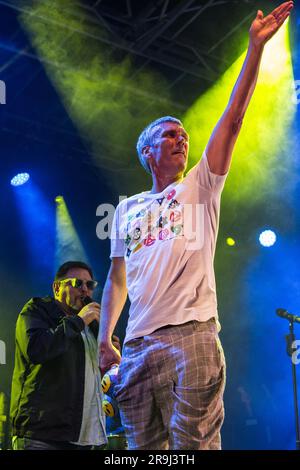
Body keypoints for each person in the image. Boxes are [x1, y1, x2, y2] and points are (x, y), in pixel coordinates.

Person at [99, 2, 294, 450]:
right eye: (169, 134)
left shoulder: (200, 186)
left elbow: (234, 118)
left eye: (183, 134)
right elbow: (117, 277)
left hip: (193, 334)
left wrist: (256, 49)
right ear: (146, 153)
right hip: (136, 346)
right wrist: (108, 337)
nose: (181, 138)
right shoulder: (126, 208)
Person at [10, 260, 107, 450]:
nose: (85, 290)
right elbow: (37, 349)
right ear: (56, 287)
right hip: (43, 435)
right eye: (77, 283)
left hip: (85, 437)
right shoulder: (37, 310)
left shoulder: (92, 327)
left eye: (90, 285)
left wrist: (109, 351)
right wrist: (78, 321)